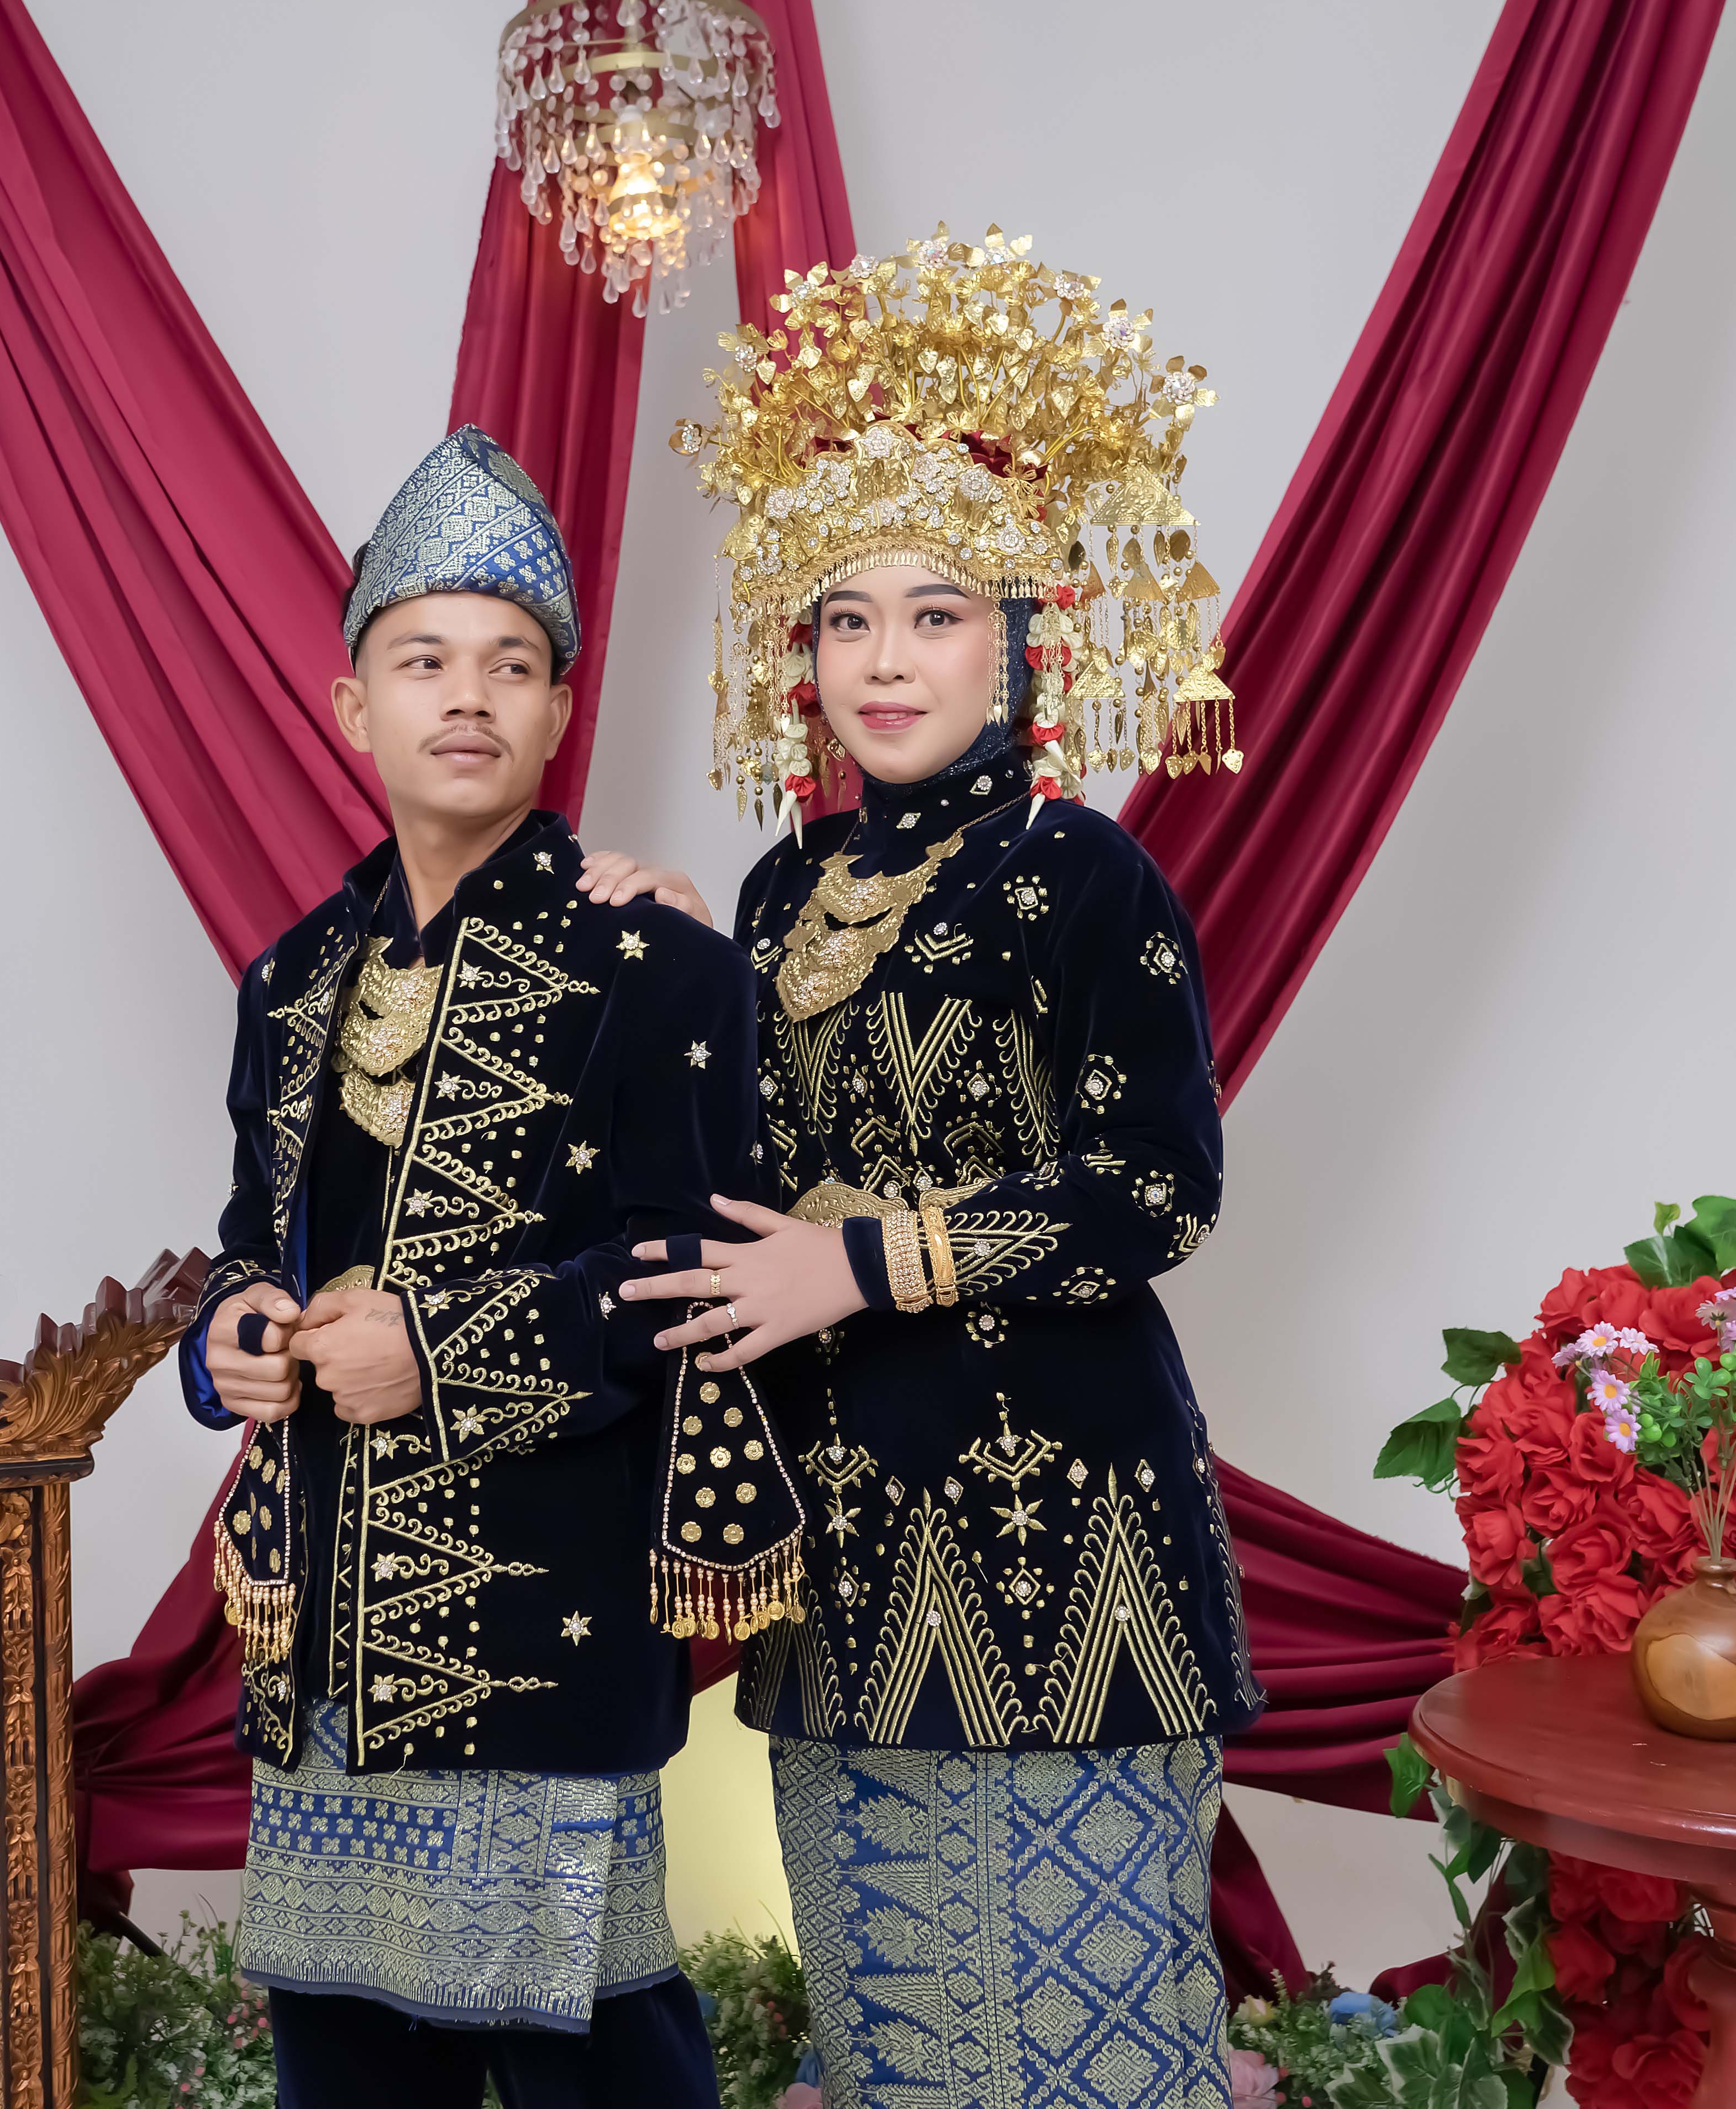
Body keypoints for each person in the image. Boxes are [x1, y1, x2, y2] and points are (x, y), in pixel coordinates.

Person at [592, 228, 1261, 2109]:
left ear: (1022, 634)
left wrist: (865, 1264)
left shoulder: (1084, 872)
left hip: (1066, 1533)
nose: (884, 661)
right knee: (899, 2032)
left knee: (1089, 2027)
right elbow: (747, 1179)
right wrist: (683, 971)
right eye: (845, 619)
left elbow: (1160, 1186)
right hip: (848, 1541)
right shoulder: (780, 890)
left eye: (935, 613)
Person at [176, 425, 774, 2108]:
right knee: (349, 2075)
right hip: (322, 1649)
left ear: (560, 713)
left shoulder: (658, 965)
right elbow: (248, 1236)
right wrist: (232, 1330)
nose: (468, 695)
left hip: (546, 1627)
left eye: (512, 665)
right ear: (350, 706)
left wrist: (437, 1352)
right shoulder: (293, 979)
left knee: (598, 2066)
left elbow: (699, 1266)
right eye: (424, 659)